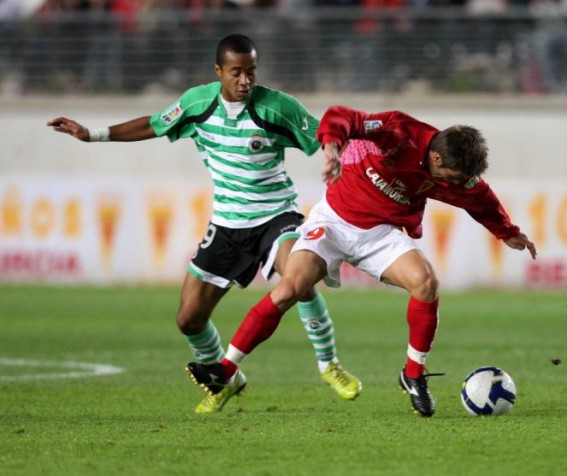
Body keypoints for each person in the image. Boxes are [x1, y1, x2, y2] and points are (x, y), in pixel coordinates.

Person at [46, 34, 361, 413]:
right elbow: (153, 125)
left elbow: (324, 134)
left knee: (299, 277)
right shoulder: (197, 104)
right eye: (236, 72)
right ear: (218, 71)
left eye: (251, 71)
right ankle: (225, 380)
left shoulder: (277, 107)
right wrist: (91, 135)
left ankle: (329, 365)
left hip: (276, 215)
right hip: (227, 225)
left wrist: (333, 152)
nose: (245, 80)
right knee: (189, 318)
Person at [186, 104, 537, 417]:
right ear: (436, 158)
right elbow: (342, 116)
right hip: (332, 222)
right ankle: (226, 370)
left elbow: (480, 198)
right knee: (290, 288)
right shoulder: (398, 132)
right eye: (455, 178)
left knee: (426, 283)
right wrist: (331, 146)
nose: (459, 185)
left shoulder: (459, 175)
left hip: (380, 234)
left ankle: (413, 374)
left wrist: (507, 232)